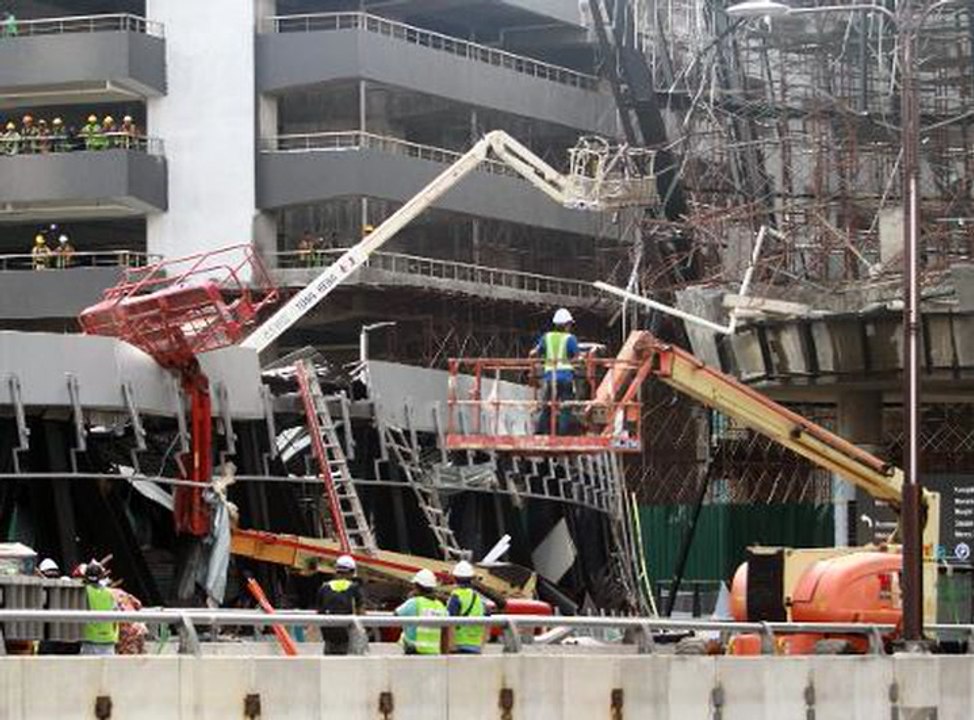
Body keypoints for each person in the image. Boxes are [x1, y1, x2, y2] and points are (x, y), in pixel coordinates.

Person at [530, 307, 579, 435]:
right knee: (565, 407)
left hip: (550, 377)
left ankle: (540, 433)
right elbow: (577, 357)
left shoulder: (547, 337)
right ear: (567, 325)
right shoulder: (570, 338)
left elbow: (534, 353)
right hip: (566, 378)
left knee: (547, 406)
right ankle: (562, 435)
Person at [316, 554, 365, 655]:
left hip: (329, 637)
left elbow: (319, 613)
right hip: (348, 637)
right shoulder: (354, 588)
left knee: (329, 667)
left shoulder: (324, 587)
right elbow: (361, 613)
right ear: (352, 572)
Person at [394, 568, 446, 655]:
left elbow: (395, 616)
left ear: (416, 586)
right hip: (434, 654)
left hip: (414, 652)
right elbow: (446, 630)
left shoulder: (414, 602)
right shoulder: (440, 606)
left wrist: (409, 598)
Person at [446, 560, 487, 654]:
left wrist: (451, 646)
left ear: (455, 578)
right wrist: (481, 645)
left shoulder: (456, 596)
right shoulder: (478, 598)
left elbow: (450, 622)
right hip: (476, 646)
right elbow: (487, 622)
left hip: (460, 645)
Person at [80, 561, 119, 655]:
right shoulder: (109, 593)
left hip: (90, 639)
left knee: (88, 669)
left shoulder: (83, 591)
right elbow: (116, 616)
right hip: (108, 639)